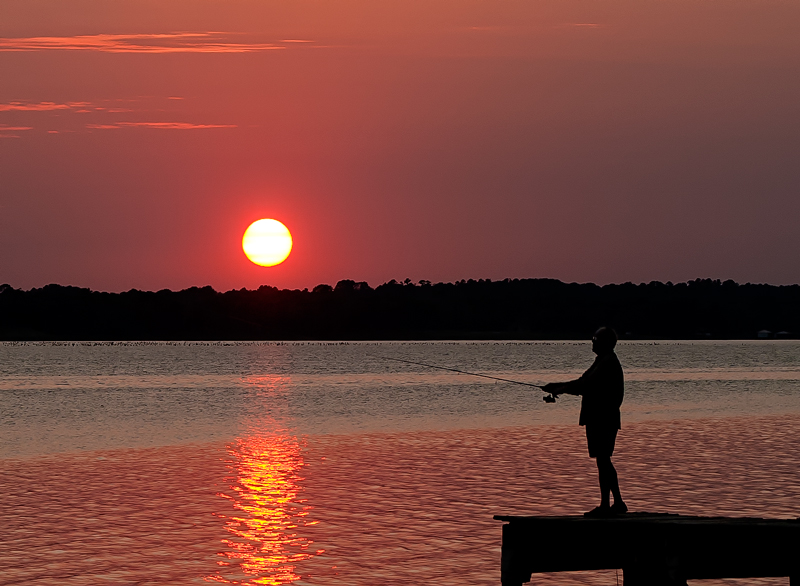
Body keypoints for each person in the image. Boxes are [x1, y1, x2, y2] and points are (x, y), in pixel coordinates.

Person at [543, 327, 627, 516]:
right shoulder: (602, 361)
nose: (592, 341)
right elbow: (583, 382)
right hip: (600, 418)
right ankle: (613, 503)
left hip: (603, 419)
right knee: (603, 460)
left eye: (595, 338)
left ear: (604, 342)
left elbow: (585, 385)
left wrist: (560, 388)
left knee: (603, 460)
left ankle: (610, 504)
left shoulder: (607, 362)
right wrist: (558, 387)